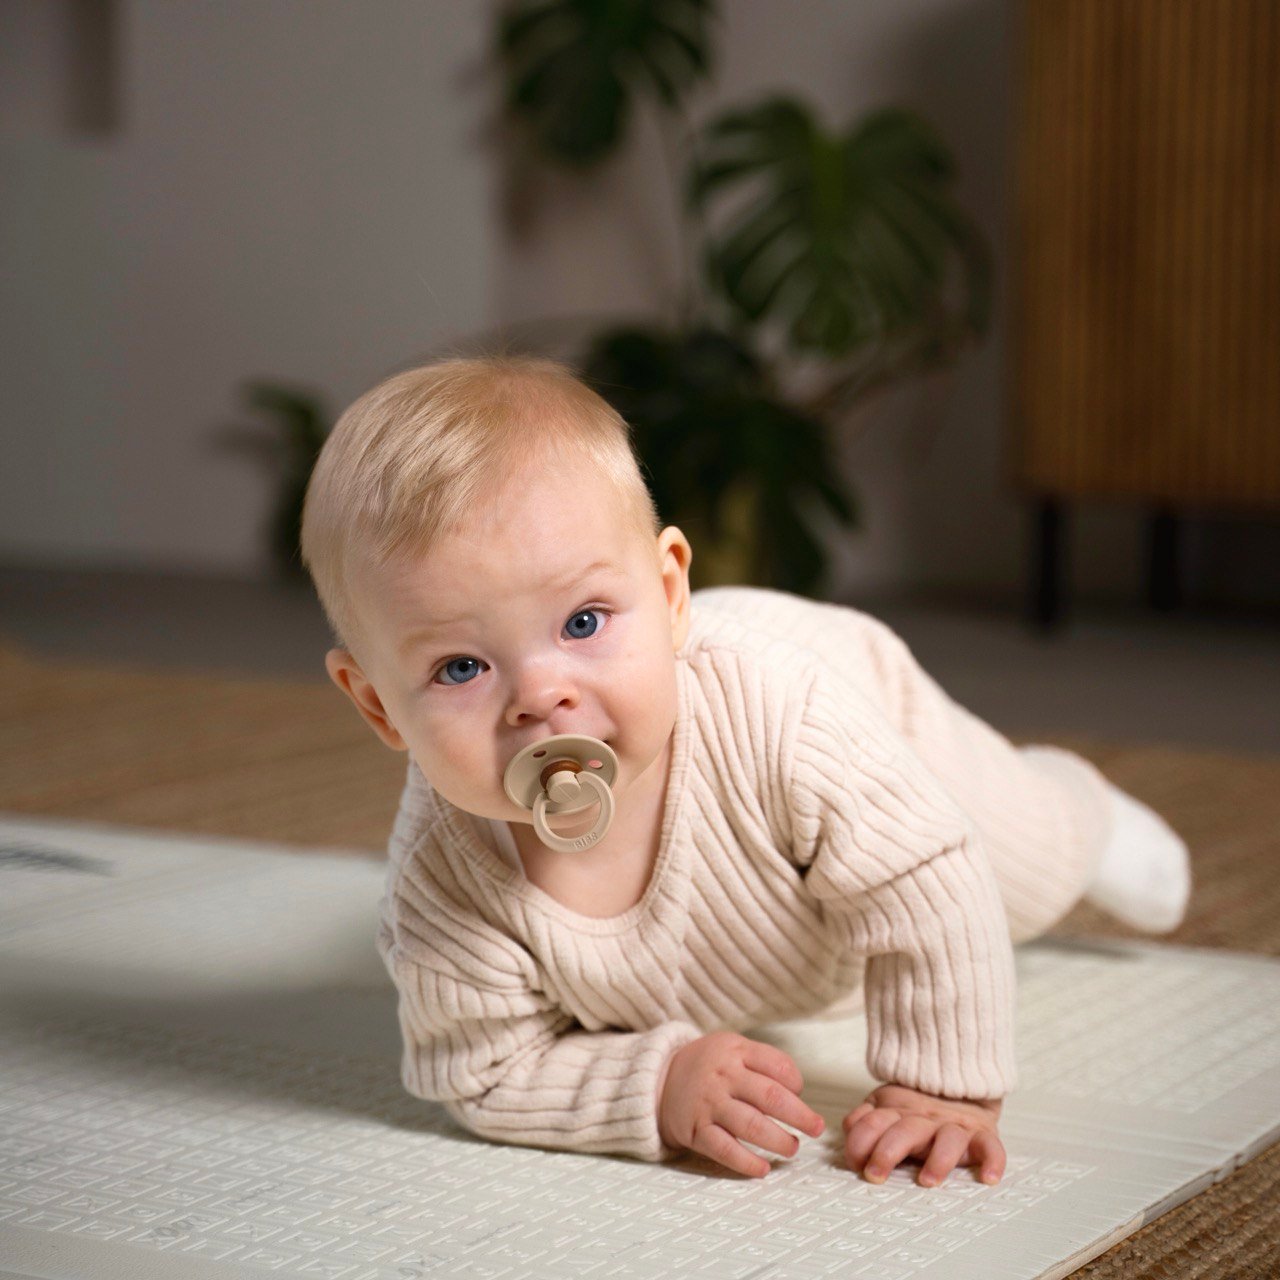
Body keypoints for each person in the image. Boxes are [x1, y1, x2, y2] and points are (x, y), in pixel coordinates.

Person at [299, 354, 1191, 1187]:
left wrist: (942, 1088)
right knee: (853, 954)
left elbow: (925, 878)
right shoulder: (442, 879)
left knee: (1019, 872)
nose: (540, 699)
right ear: (377, 703)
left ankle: (1087, 809)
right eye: (461, 668)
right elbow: (487, 1070)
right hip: (775, 935)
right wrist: (655, 1083)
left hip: (869, 717)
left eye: (582, 623)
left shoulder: (781, 713)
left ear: (670, 592)